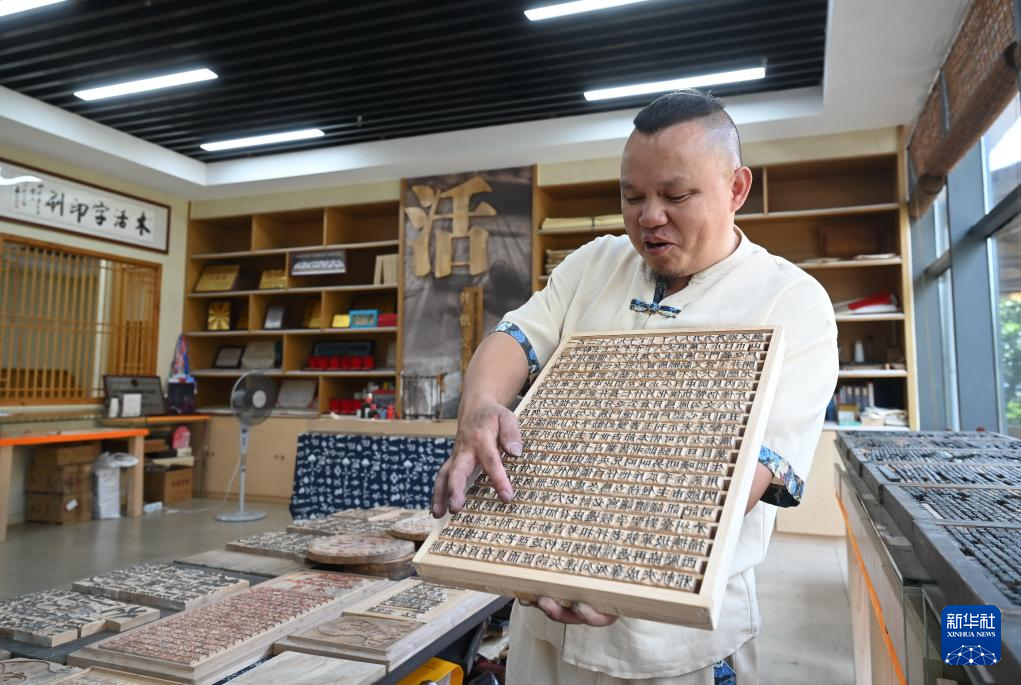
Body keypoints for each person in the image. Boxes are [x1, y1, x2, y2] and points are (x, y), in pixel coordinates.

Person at [431, 89, 838, 684]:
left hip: (674, 635)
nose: (649, 216)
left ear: (736, 188)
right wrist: (480, 407)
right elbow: (515, 338)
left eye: (676, 196)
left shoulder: (791, 301)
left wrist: (618, 568)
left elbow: (754, 468)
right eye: (632, 197)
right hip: (542, 607)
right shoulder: (595, 262)